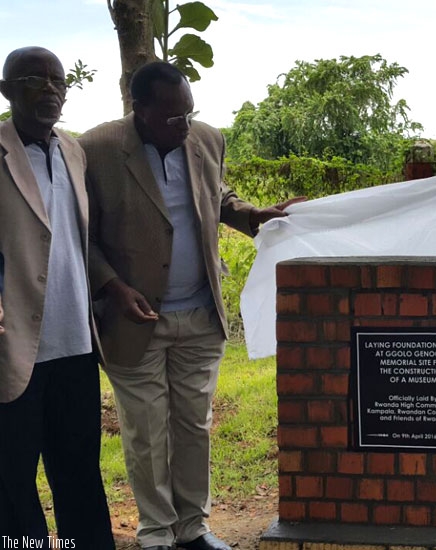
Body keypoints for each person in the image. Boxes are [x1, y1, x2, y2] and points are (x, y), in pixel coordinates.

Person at [81, 61, 303, 550]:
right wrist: (114, 286)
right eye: (171, 117)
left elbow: (217, 194)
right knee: (146, 433)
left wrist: (251, 216)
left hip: (200, 314)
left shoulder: (205, 138)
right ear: (138, 109)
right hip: (133, 319)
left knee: (193, 427)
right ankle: (157, 532)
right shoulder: (95, 149)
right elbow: (84, 233)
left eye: (189, 113)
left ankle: (194, 527)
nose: (183, 126)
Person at [0, 47, 114, 547]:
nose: (50, 89)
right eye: (33, 79)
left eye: (58, 81)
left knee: (78, 469)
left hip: (74, 340)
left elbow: (77, 237)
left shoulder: (72, 151)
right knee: (11, 476)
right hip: (12, 345)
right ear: (6, 91)